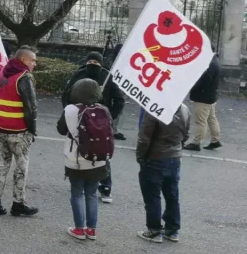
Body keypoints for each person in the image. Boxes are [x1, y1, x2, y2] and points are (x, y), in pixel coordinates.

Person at [61, 51, 125, 203]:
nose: (92, 65)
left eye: (96, 63)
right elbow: (66, 95)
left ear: (101, 64)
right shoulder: (79, 74)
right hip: (80, 121)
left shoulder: (108, 77)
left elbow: (119, 99)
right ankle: (80, 182)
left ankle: (105, 187)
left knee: (102, 153)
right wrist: (70, 113)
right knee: (78, 150)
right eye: (90, 62)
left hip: (101, 123)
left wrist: (110, 117)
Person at [0, 46, 39, 218]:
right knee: (21, 167)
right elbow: (31, 108)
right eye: (33, 60)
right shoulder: (24, 78)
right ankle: (18, 203)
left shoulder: (0, 75)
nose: (35, 64)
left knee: (2, 166)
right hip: (18, 131)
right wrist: (32, 131)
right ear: (24, 60)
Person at [57, 79, 110, 241]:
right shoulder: (104, 110)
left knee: (77, 193)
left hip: (76, 160)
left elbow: (61, 129)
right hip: (98, 159)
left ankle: (79, 229)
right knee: (92, 194)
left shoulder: (70, 109)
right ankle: (92, 230)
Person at [136, 103, 190, 243]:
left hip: (155, 156)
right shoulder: (184, 109)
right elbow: (186, 134)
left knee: (152, 196)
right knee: (172, 195)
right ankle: (172, 229)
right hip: (174, 156)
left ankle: (154, 230)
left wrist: (140, 156)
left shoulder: (154, 109)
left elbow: (145, 137)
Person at [184, 53, 221, 151]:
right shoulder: (215, 61)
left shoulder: (210, 64)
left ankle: (196, 143)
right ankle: (215, 140)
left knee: (201, 121)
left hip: (203, 97)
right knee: (211, 118)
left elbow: (203, 81)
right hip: (211, 96)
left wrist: (193, 87)